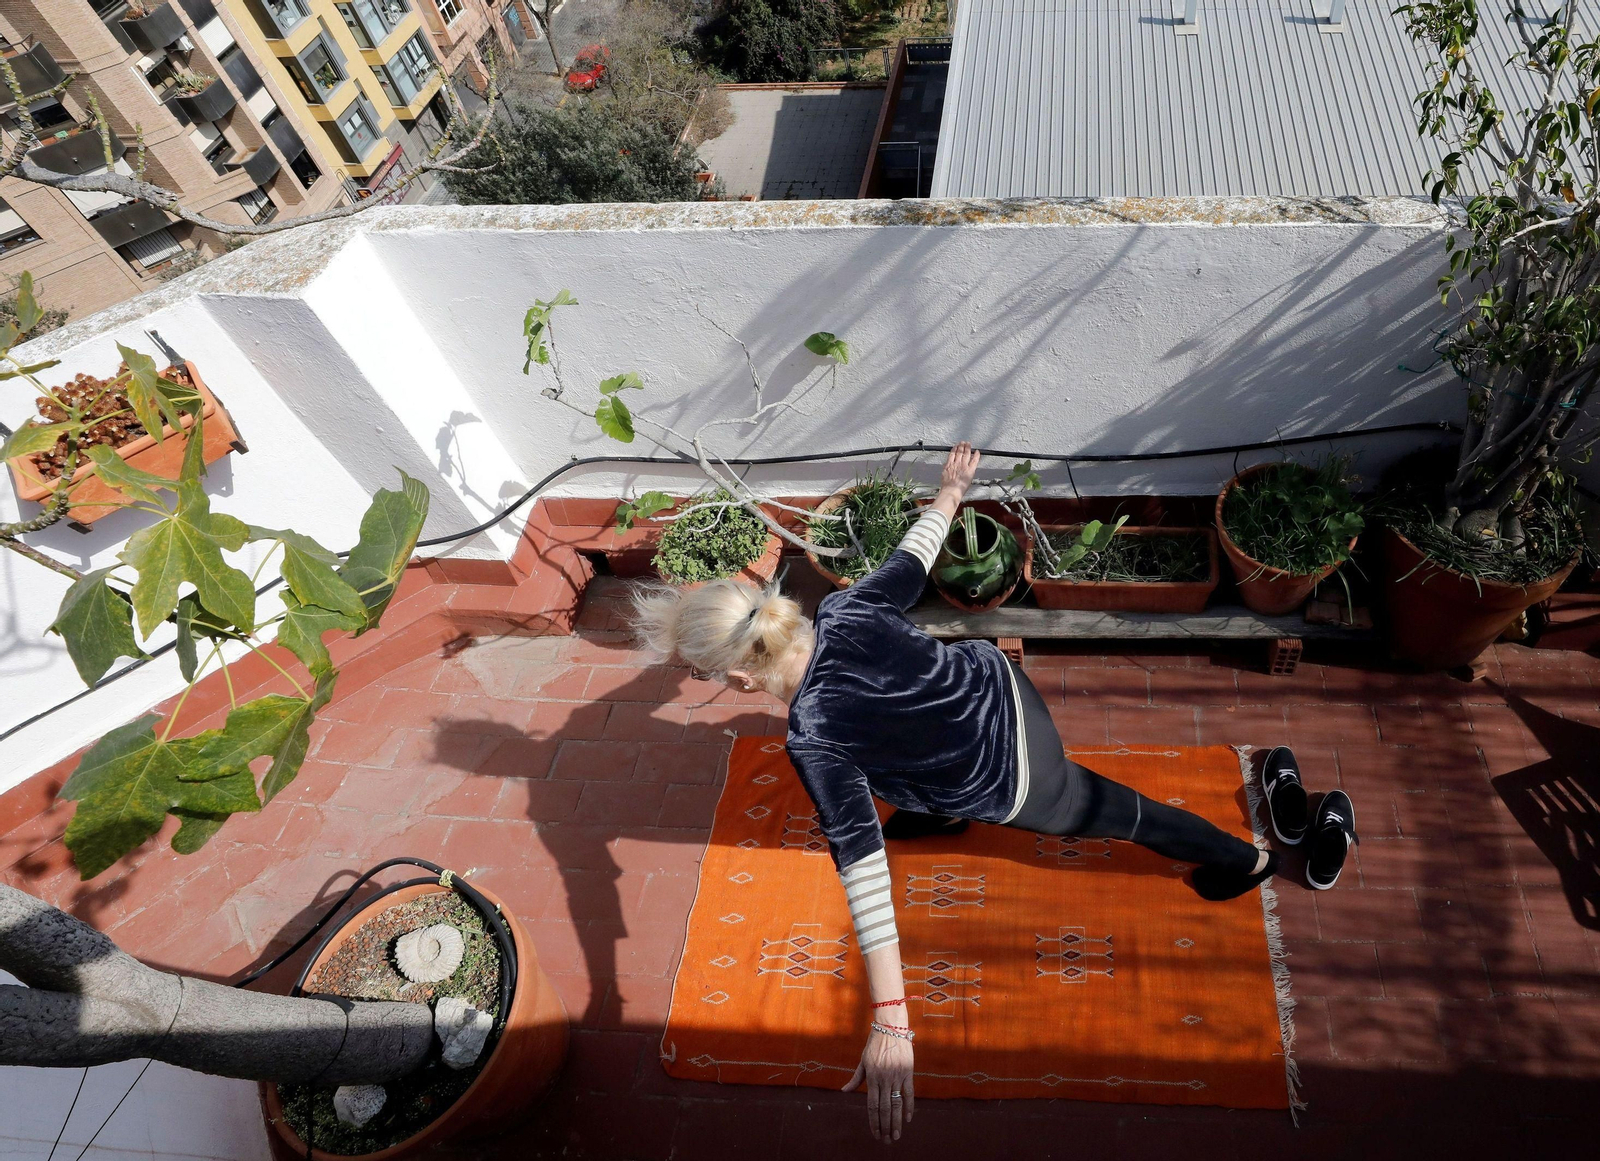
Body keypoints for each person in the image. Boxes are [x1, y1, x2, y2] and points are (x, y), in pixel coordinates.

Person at [631, 445, 1282, 1143]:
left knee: (1121, 812)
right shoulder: (846, 606)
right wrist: (950, 491)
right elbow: (912, 560)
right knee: (900, 760)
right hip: (1002, 685)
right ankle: (941, 809)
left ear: (738, 681)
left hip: (1018, 773)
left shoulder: (815, 734)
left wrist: (891, 1018)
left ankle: (1245, 861)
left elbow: (864, 871)